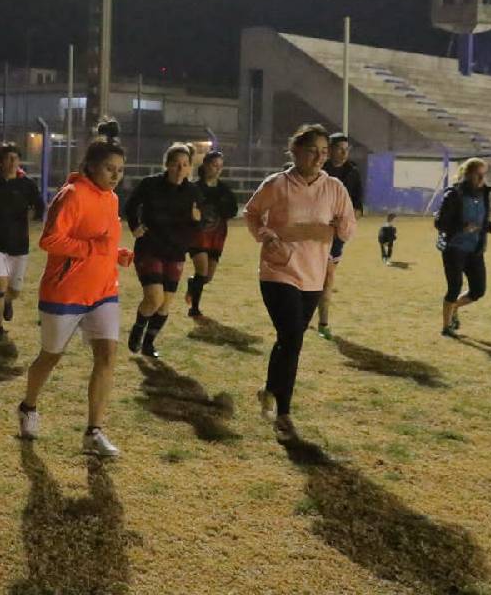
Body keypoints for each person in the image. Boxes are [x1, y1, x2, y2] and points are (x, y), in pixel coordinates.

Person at [17, 120, 129, 458]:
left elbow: (102, 241)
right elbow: (49, 239)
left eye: (120, 170)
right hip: (65, 293)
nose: (115, 176)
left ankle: (93, 432)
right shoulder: (72, 195)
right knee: (51, 356)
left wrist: (117, 254)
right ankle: (28, 406)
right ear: (91, 166)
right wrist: (92, 249)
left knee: (107, 355)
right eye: (110, 169)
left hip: (103, 291)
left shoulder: (111, 198)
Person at [245, 124, 356, 442]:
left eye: (324, 152)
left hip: (313, 275)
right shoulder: (277, 184)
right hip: (278, 271)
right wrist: (265, 235)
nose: (321, 157)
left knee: (288, 340)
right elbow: (252, 213)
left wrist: (340, 224)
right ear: (295, 151)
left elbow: (348, 229)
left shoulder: (334, 188)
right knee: (293, 338)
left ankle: (268, 391)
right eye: (313, 150)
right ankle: (284, 414)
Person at [124, 143, 202, 358]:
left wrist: (197, 222)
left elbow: (198, 223)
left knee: (165, 304)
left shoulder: (193, 192)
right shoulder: (150, 184)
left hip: (175, 251)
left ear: (189, 169)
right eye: (176, 164)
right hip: (150, 247)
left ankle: (149, 344)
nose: (180, 169)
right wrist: (135, 225)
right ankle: (138, 330)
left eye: (185, 165)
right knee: (154, 298)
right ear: (167, 165)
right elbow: (131, 205)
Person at [0, 142, 46, 342]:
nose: (13, 162)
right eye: (8, 158)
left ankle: (8, 302)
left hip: (19, 244)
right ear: (0, 162)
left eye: (16, 158)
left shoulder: (26, 184)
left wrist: (32, 216)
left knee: (14, 291)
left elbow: (39, 206)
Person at [434, 157, 491, 337]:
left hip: (475, 248)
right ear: (468, 174)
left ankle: (454, 307)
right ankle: (446, 327)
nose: (482, 179)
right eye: (479, 174)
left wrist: (489, 227)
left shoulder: (484, 194)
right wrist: (461, 227)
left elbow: (480, 221)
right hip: (454, 248)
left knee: (478, 290)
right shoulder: (454, 194)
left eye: (484, 175)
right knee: (454, 287)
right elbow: (440, 223)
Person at [314, 132, 363, 340]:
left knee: (327, 277)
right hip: (313, 232)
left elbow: (359, 208)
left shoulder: (353, 172)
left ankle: (323, 323)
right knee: (310, 276)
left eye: (347, 149)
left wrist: (346, 220)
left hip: (337, 235)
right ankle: (304, 313)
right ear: (330, 149)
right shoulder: (318, 169)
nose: (344, 153)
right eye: (340, 149)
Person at [184, 150, 238, 318]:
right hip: (197, 236)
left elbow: (233, 211)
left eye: (220, 166)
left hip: (217, 236)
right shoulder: (194, 188)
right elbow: (185, 210)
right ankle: (194, 309)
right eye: (214, 165)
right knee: (202, 270)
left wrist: (224, 207)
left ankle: (192, 283)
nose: (217, 169)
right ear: (206, 165)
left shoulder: (224, 190)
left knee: (207, 277)